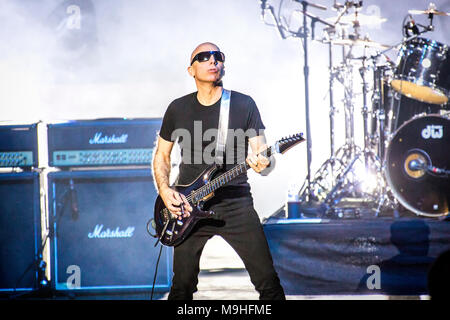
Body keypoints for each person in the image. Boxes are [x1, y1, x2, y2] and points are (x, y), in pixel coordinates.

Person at [152, 42, 285, 300]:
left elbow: (264, 156)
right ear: (191, 70)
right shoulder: (177, 108)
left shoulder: (243, 105)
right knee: (181, 288)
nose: (212, 61)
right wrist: (165, 190)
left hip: (236, 203)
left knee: (268, 283)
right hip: (187, 206)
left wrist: (265, 164)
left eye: (218, 56)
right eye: (204, 57)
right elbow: (162, 155)